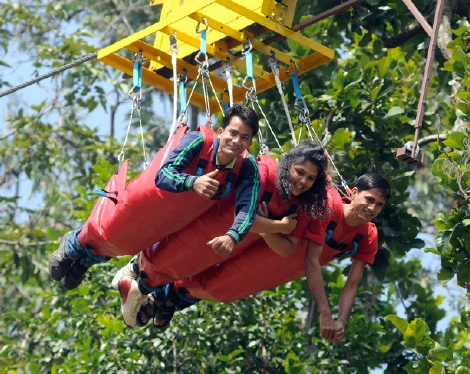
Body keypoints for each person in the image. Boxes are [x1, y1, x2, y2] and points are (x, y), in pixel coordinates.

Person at [135, 173, 391, 341]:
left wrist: (340, 321)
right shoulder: (329, 207)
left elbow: (353, 282)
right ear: (354, 191)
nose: (372, 208)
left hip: (286, 268)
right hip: (276, 247)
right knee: (215, 267)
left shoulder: (367, 234)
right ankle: (156, 291)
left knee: (223, 289)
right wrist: (325, 313)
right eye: (369, 199)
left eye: (379, 205)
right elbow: (312, 260)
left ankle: (169, 302)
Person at [117, 141, 330, 329]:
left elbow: (287, 248)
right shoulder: (263, 172)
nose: (302, 182)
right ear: (288, 164)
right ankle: (135, 275)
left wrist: (266, 228)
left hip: (230, 247)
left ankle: (159, 298)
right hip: (211, 231)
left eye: (310, 178)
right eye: (299, 172)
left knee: (210, 282)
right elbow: (244, 217)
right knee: (174, 259)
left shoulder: (305, 204)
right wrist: (279, 226)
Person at [49, 104, 261, 292]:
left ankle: (83, 262)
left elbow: (247, 207)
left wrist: (234, 235)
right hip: (151, 202)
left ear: (250, 143)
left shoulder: (246, 166)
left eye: (244, 137)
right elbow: (163, 174)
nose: (236, 141)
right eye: (233, 133)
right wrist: (192, 182)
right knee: (115, 227)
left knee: (129, 243)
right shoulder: (198, 141)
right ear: (221, 132)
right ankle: (71, 246)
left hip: (174, 219)